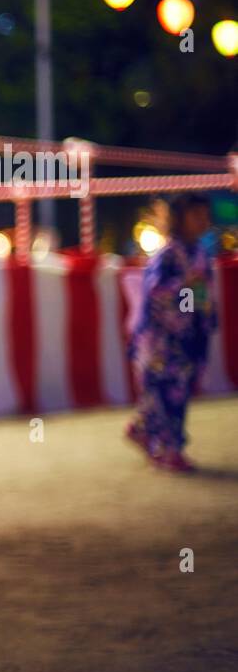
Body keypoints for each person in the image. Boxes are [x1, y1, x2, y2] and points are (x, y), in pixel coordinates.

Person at [125, 192, 217, 472]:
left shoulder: (199, 253)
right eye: (195, 215)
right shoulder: (167, 254)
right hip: (161, 339)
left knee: (175, 390)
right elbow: (154, 293)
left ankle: (144, 430)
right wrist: (184, 287)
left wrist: (204, 316)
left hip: (188, 334)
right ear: (179, 218)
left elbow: (200, 294)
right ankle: (170, 447)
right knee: (168, 392)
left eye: (204, 215)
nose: (202, 220)